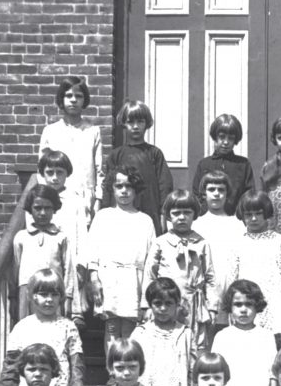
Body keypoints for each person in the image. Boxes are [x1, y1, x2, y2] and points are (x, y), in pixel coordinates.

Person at [87, 164, 155, 351]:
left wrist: (146, 287)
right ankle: (113, 372)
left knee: (130, 328)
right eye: (119, 186)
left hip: (134, 278)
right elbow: (92, 250)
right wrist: (94, 278)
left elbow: (151, 259)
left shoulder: (145, 220)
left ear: (136, 189)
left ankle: (128, 368)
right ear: (112, 188)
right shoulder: (103, 217)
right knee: (112, 326)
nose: (124, 191)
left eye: (129, 186)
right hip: (109, 277)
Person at [0, 269, 85, 386]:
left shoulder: (68, 326)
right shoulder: (22, 327)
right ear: (32, 296)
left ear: (61, 297)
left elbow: (77, 362)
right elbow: (11, 365)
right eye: (43, 294)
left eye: (54, 294)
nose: (49, 299)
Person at [142, 189, 218, 350]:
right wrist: (146, 306)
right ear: (169, 216)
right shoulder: (161, 243)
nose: (182, 217)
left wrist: (212, 307)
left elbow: (210, 277)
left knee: (194, 344)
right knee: (168, 343)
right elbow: (149, 275)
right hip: (167, 304)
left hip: (194, 305)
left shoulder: (202, 243)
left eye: (187, 213)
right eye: (176, 213)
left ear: (194, 215)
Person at [131, 278, 195, 386]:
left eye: (169, 303)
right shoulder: (141, 333)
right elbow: (131, 362)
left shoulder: (185, 333)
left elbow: (192, 367)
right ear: (150, 305)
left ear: (177, 305)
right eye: (157, 303)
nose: (163, 308)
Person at [211, 279, 276, 386]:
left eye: (249, 304)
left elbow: (272, 375)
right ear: (230, 307)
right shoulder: (222, 337)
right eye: (238, 304)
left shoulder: (266, 337)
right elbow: (214, 373)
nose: (243, 310)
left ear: (257, 306)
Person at [38, 74, 103, 220]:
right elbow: (41, 170)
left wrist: (98, 200)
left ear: (84, 100)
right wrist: (45, 198)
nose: (73, 100)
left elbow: (99, 171)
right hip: (56, 198)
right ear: (61, 99)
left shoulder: (93, 131)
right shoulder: (50, 131)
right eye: (68, 96)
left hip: (84, 198)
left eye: (78, 96)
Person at [37, 148, 89, 327]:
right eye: (49, 173)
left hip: (70, 259)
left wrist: (82, 263)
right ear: (43, 174)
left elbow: (82, 232)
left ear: (67, 174)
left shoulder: (74, 201)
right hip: (48, 258)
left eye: (59, 173)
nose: (54, 178)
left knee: (67, 295)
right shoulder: (39, 200)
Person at [233, 191, 281, 338]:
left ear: (266, 213)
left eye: (258, 213)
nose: (253, 218)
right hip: (248, 302)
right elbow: (233, 277)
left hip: (275, 301)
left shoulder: (279, 241)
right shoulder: (237, 243)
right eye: (248, 214)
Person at [104, 98, 173, 234]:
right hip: (122, 210)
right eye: (130, 122)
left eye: (140, 122)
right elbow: (108, 187)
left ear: (146, 124)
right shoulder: (116, 155)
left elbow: (165, 185)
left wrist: (163, 214)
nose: (135, 126)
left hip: (149, 208)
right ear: (123, 123)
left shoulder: (154, 153)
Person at [12, 183, 75, 320]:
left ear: (54, 209)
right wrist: (14, 298)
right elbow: (16, 269)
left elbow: (69, 270)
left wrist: (68, 297)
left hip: (53, 293)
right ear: (30, 209)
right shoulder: (22, 237)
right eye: (37, 208)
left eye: (47, 208)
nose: (42, 213)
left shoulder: (61, 237)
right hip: (28, 293)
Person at [193, 169, 244, 335]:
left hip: (229, 284)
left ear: (227, 194)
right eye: (211, 189)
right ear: (203, 193)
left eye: (221, 190)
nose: (216, 194)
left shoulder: (237, 224)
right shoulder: (197, 225)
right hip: (206, 287)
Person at [192, 114, 254, 216]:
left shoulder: (243, 164)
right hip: (208, 218)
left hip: (235, 219)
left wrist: (239, 215)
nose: (226, 142)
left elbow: (248, 194)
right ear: (215, 137)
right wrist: (205, 213)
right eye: (221, 137)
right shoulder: (204, 164)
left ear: (235, 140)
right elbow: (197, 193)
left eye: (230, 138)